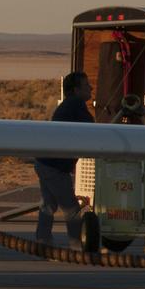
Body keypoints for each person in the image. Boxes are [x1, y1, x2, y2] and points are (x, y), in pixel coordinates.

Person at [33, 71, 93, 246]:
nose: (91, 88)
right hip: (54, 167)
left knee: (48, 206)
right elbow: (92, 128)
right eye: (86, 85)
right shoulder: (76, 103)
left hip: (44, 162)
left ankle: (43, 241)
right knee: (72, 209)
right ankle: (77, 246)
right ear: (76, 90)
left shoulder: (68, 104)